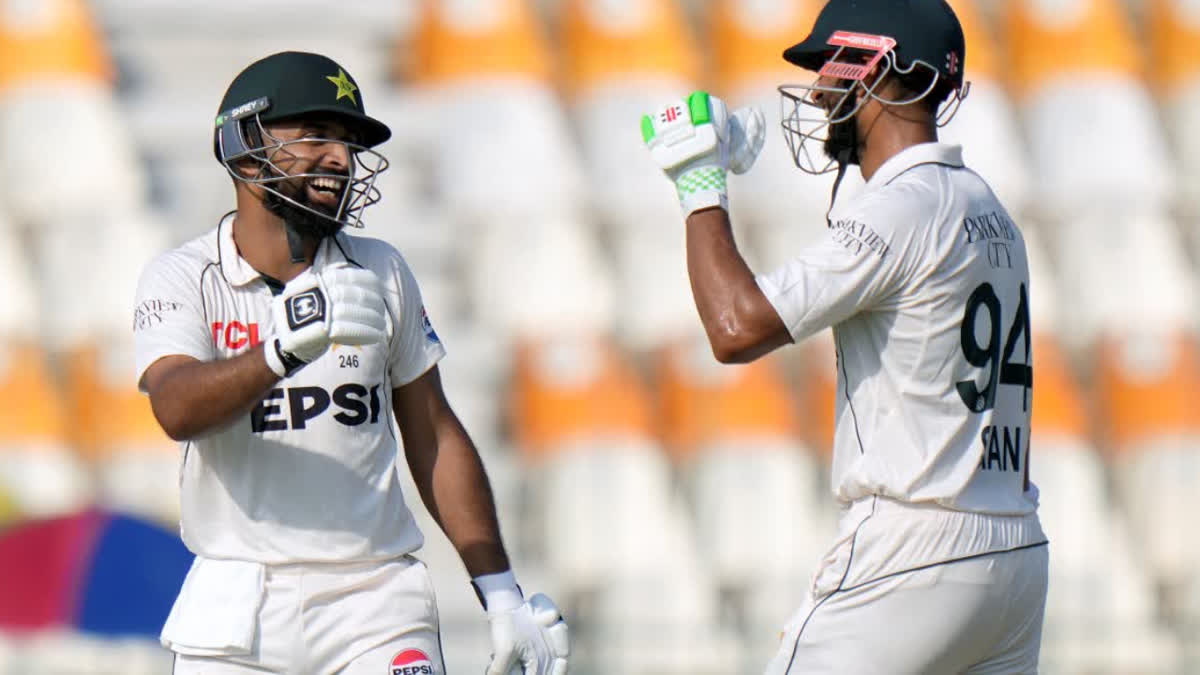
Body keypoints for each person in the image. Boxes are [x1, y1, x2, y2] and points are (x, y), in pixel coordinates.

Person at [642, 0, 1048, 672]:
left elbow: (735, 326)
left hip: (914, 549)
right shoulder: (990, 208)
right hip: (1015, 550)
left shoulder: (900, 208)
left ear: (882, 68)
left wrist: (697, 179)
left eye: (835, 63)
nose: (823, 85)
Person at [132, 51, 569, 675]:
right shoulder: (182, 276)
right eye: (316, 134)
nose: (339, 158)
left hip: (376, 602)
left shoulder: (382, 269)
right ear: (245, 147)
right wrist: (281, 350)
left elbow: (434, 432)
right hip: (238, 604)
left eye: (347, 143)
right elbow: (175, 408)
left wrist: (501, 594)